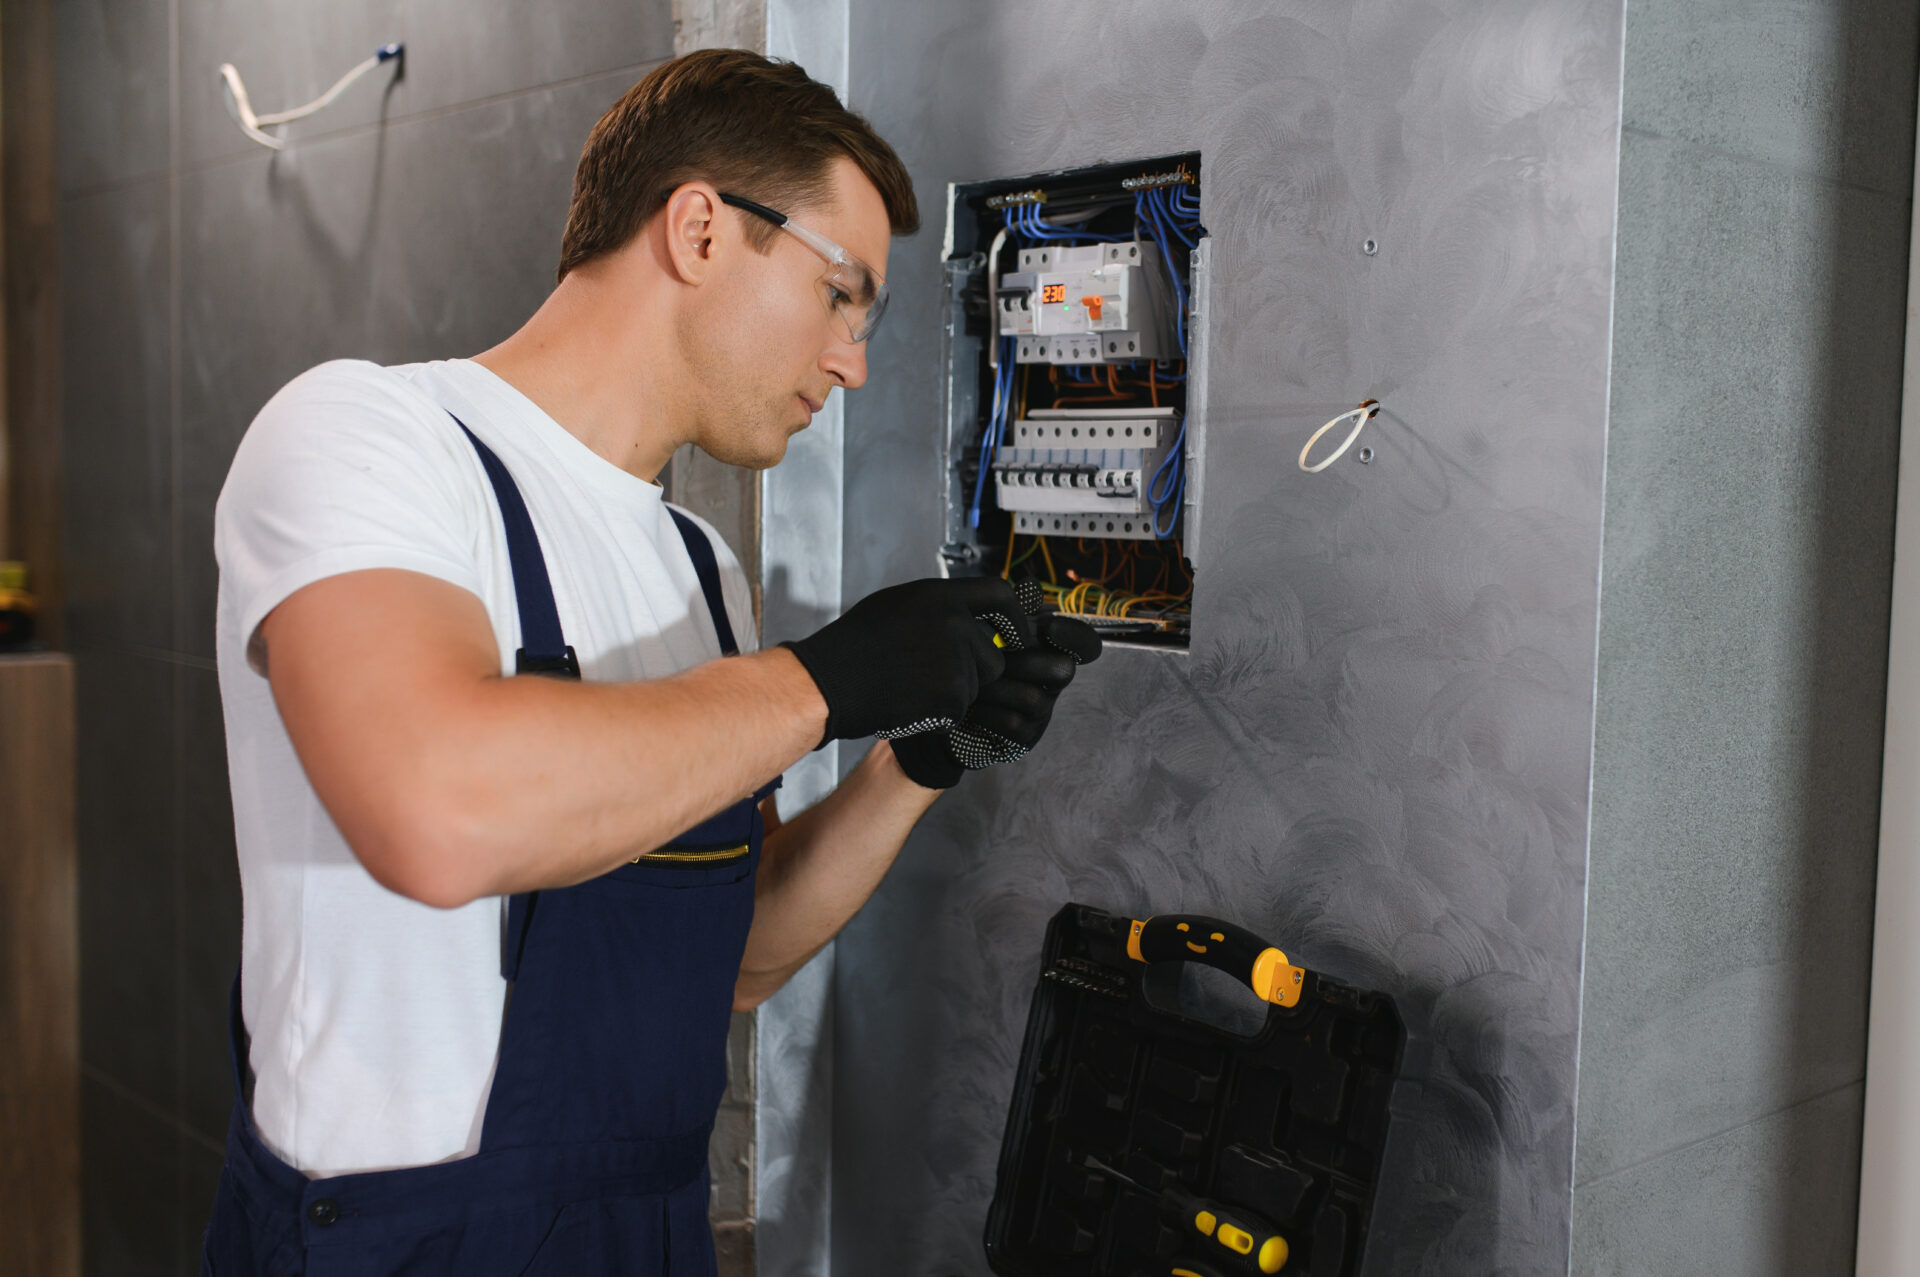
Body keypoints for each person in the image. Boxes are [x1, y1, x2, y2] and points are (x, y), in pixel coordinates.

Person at [200, 48, 1099, 1275]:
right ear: (699, 230)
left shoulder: (698, 568)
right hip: (404, 1242)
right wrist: (825, 681)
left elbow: (735, 956)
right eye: (844, 294)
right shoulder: (371, 438)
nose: (855, 362)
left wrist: (920, 760)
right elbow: (437, 809)